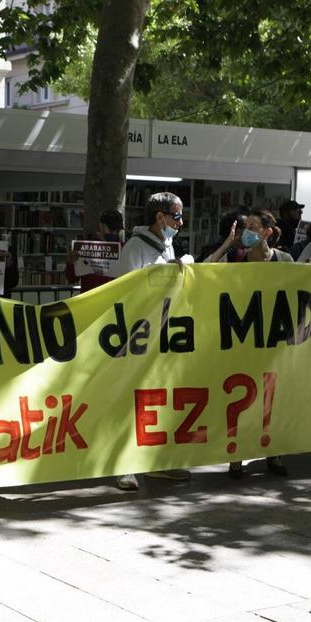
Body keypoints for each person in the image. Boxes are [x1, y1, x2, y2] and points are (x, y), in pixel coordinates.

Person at [114, 192, 192, 490]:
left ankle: (156, 463)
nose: (180, 223)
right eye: (176, 216)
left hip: (162, 333)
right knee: (130, 402)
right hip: (138, 336)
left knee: (156, 401)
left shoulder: (168, 245)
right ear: (160, 218)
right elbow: (125, 290)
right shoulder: (136, 247)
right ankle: (124, 466)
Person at [224, 209, 291, 478]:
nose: (246, 231)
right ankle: (236, 456)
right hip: (243, 338)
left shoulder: (284, 260)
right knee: (241, 398)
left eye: (253, 226)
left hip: (274, 341)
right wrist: (228, 243)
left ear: (267, 232)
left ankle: (273, 453)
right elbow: (206, 271)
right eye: (245, 226)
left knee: (273, 399)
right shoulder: (236, 257)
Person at [64, 208, 123, 292]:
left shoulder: (124, 248)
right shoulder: (84, 248)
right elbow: (71, 279)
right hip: (90, 300)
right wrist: (70, 263)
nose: (114, 233)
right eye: (110, 229)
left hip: (113, 300)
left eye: (116, 230)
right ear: (100, 226)